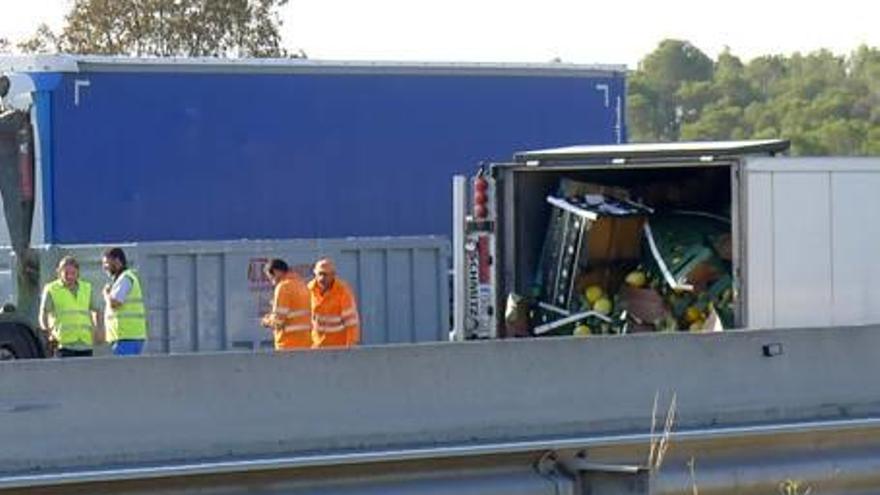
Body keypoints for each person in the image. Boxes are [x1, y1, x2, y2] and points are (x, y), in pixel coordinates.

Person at [39, 256, 101, 358]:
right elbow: (43, 314)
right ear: (59, 272)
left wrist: (99, 330)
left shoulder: (86, 288)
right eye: (66, 273)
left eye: (73, 273)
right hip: (63, 344)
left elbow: (97, 310)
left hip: (85, 343)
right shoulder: (52, 289)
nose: (70, 277)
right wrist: (48, 334)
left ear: (78, 273)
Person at [102, 247, 148, 356]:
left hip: (126, 337)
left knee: (122, 371)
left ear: (117, 261)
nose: (105, 267)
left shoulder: (125, 278)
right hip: (130, 336)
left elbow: (115, 303)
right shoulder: (125, 278)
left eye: (107, 263)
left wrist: (106, 294)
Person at [260, 258, 312, 350]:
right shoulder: (301, 284)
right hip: (306, 343)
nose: (272, 282)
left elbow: (279, 322)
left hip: (288, 344)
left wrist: (267, 321)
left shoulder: (283, 287)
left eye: (271, 278)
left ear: (276, 272)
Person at [308, 258, 360, 348]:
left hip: (338, 348)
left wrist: (351, 348)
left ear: (333, 275)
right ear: (314, 273)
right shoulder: (309, 290)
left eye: (325, 275)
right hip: (317, 347)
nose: (322, 278)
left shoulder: (343, 291)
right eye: (320, 274)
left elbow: (351, 323)